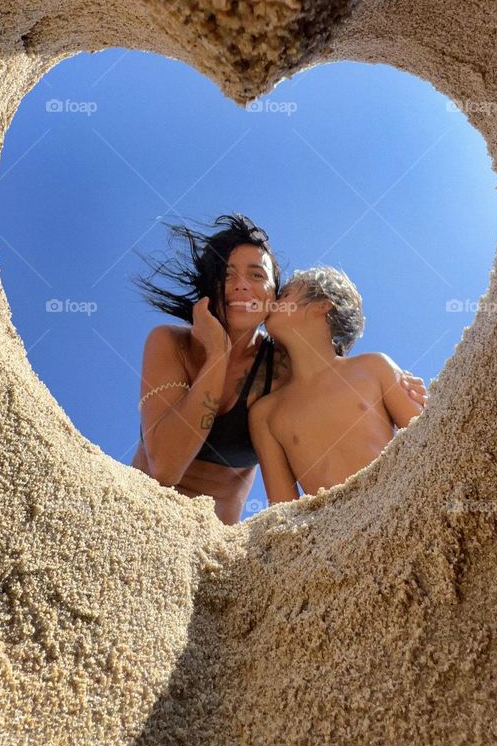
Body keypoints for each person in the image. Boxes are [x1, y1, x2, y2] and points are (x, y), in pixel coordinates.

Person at [130, 215, 426, 524]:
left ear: (273, 294)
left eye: (257, 275)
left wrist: (406, 390)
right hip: (141, 517)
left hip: (211, 540)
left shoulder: (283, 369)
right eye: (226, 274)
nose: (242, 285)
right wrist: (218, 354)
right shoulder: (171, 343)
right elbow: (165, 468)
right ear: (210, 284)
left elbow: (328, 367)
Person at [249, 266, 425, 505]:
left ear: (322, 305)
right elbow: (282, 511)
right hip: (335, 531)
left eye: (285, 295)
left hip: (401, 502)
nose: (273, 303)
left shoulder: (374, 367)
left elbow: (428, 442)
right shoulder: (265, 413)